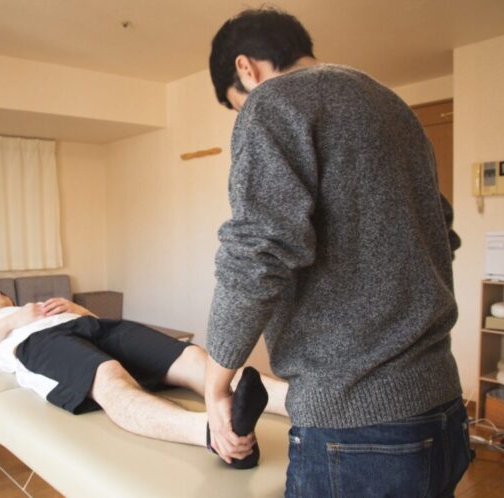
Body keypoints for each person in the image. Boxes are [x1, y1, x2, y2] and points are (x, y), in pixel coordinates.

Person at [204, 7, 470, 496]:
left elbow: (258, 253)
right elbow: (441, 227)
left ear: (247, 68)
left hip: (358, 426)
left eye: (236, 104)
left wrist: (214, 383)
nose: (244, 113)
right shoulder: (392, 106)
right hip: (442, 404)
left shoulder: (274, 102)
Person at [0, 288, 288, 468]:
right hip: (39, 343)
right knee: (110, 377)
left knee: (195, 357)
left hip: (94, 327)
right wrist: (13, 320)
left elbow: (95, 329)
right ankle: (218, 436)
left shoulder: (34, 305)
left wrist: (78, 311)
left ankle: (295, 401)